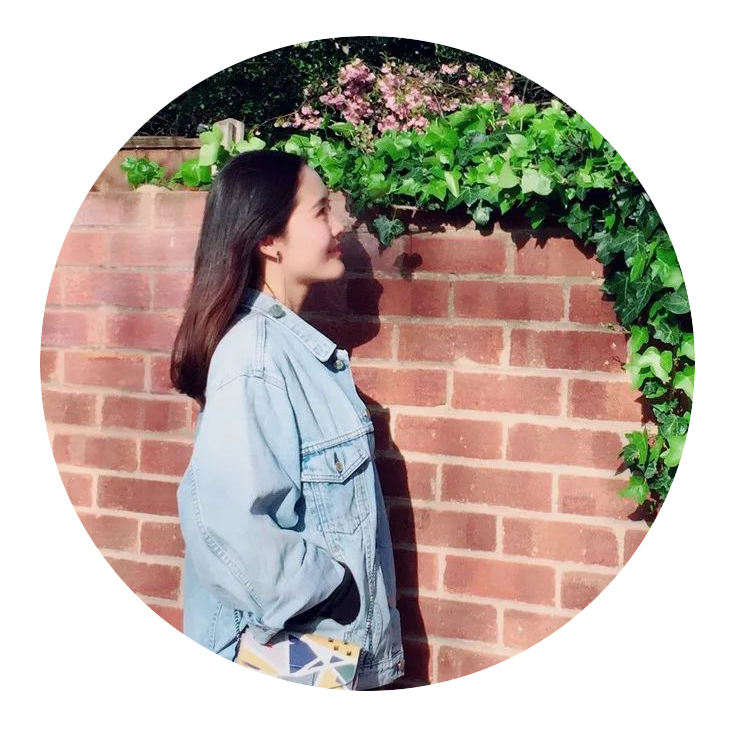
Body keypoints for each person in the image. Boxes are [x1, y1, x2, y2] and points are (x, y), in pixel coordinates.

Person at [170, 149, 406, 689]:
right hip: (287, 653)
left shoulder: (288, 351)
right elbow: (227, 527)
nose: (339, 224)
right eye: (321, 211)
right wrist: (332, 588)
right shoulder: (255, 357)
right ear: (269, 239)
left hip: (319, 652)